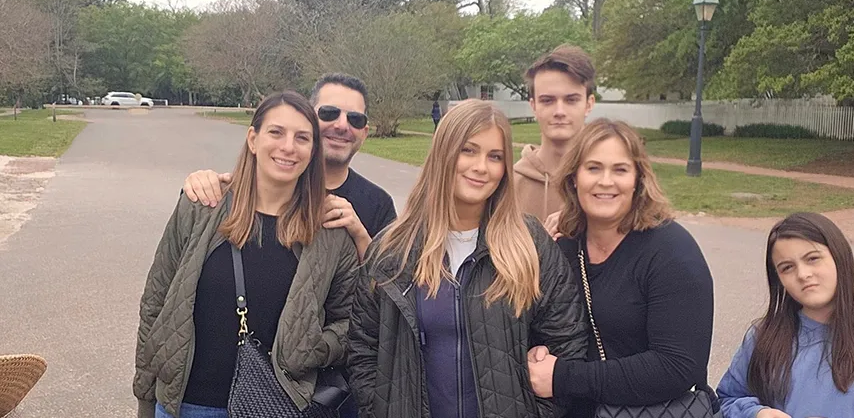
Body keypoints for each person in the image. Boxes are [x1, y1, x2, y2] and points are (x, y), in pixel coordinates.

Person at [347, 99, 589, 418]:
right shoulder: (393, 248)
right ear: (444, 154)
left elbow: (568, 343)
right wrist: (381, 409)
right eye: (468, 150)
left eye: (495, 156)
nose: (480, 167)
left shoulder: (529, 242)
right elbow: (363, 349)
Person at [133, 91, 359, 418]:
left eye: (302, 138)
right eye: (276, 132)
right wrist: (144, 395)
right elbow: (156, 302)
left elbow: (352, 321)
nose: (288, 147)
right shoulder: (202, 208)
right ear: (253, 139)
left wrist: (314, 347)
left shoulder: (328, 229)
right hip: (188, 404)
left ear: (313, 151)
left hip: (277, 406)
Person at [526, 118, 716, 417]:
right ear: (574, 177)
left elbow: (677, 366)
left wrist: (563, 378)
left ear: (638, 180)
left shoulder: (671, 251)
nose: (605, 181)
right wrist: (536, 353)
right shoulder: (563, 248)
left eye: (620, 170)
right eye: (593, 168)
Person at [716, 213, 854, 418]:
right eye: (787, 267)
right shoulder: (762, 338)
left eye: (813, 258)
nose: (803, 274)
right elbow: (727, 399)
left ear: (839, 257)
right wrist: (755, 413)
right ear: (779, 280)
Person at [182, 74, 396, 258]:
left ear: (365, 132)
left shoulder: (378, 205)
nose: (341, 125)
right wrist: (201, 186)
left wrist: (360, 236)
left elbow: (390, 291)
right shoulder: (270, 187)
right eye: (329, 113)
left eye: (355, 119)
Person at [513, 45, 596, 232]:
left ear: (589, 104)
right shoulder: (509, 186)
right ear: (533, 106)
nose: (559, 111)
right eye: (547, 100)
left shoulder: (610, 183)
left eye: (571, 100)